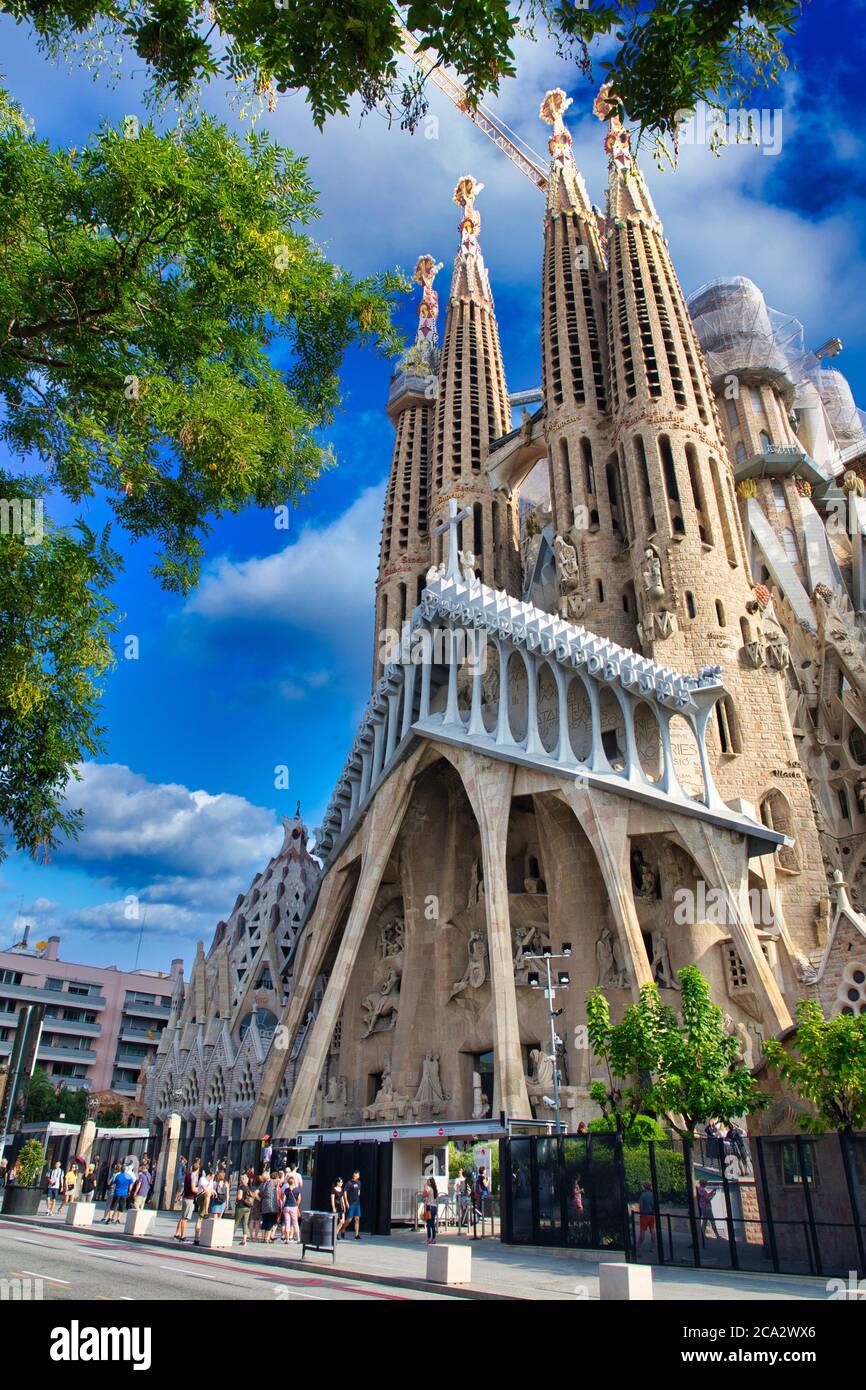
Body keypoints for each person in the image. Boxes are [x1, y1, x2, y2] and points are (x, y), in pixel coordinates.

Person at [174, 1157, 200, 1241]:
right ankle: (183, 1235)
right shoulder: (193, 1177)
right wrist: (199, 1189)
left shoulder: (188, 1175)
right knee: (185, 1218)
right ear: (198, 1169)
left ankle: (177, 1233)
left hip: (186, 1197)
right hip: (189, 1198)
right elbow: (193, 1189)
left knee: (182, 1217)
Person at [194, 1166, 215, 1244]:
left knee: (200, 1218)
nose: (212, 1178)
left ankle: (197, 1238)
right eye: (212, 1176)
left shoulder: (211, 1181)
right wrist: (211, 1191)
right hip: (200, 1197)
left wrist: (213, 1191)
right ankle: (206, 1211)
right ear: (209, 1175)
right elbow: (204, 1188)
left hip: (205, 1199)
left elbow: (212, 1189)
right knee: (200, 1218)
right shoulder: (203, 1179)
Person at [696, 1179, 720, 1243]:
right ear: (703, 1184)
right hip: (707, 1208)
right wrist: (713, 1195)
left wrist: (712, 1191)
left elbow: (705, 1196)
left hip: (703, 1207)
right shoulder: (703, 1190)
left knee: (705, 1221)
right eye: (706, 1183)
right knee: (712, 1221)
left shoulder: (700, 1190)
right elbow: (707, 1199)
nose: (706, 1184)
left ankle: (703, 1235)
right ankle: (717, 1235)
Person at [234, 1170, 254, 1246]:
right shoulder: (248, 1188)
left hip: (241, 1206)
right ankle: (244, 1240)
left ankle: (230, 1236)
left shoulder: (241, 1188)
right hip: (248, 1207)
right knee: (245, 1223)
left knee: (236, 1222)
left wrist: (237, 1196)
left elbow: (239, 1197)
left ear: (241, 1181)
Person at [260, 1171, 279, 1243]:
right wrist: (283, 1174)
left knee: (265, 1221)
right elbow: (280, 1180)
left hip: (264, 1204)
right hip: (271, 1205)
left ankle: (264, 1237)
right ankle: (267, 1238)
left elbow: (259, 1193)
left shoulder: (262, 1184)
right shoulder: (271, 1182)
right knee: (270, 1221)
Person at [637, 1180, 656, 1252]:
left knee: (642, 1232)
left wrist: (641, 1213)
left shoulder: (643, 1195)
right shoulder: (653, 1195)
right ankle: (653, 1247)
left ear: (644, 1187)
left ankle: (638, 1247)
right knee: (652, 1230)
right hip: (651, 1214)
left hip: (644, 1215)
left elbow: (640, 1206)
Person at [284, 1174, 301, 1243]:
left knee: (287, 1223)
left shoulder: (286, 1190)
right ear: (294, 1182)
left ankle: (287, 1239)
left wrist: (283, 1206)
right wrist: (297, 1205)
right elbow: (299, 1199)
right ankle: (298, 1238)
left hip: (286, 1207)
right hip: (293, 1207)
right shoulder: (297, 1190)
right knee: (295, 1222)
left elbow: (284, 1199)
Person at [344, 1171, 362, 1240]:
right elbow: (345, 1191)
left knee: (357, 1219)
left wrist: (358, 1194)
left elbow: (359, 1190)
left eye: (356, 1176)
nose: (354, 1177)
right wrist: (346, 1202)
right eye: (354, 1175)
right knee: (349, 1219)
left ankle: (356, 1235)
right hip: (351, 1203)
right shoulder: (349, 1183)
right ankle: (343, 1229)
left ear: (358, 1176)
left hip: (357, 1203)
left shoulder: (359, 1182)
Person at [422, 1176, 439, 1244]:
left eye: (428, 1181)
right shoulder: (435, 1190)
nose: (427, 1182)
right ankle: (434, 1239)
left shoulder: (428, 1188)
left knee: (428, 1223)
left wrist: (424, 1188)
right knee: (432, 1224)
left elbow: (424, 1195)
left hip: (429, 1207)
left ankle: (429, 1239)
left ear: (430, 1182)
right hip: (434, 1207)